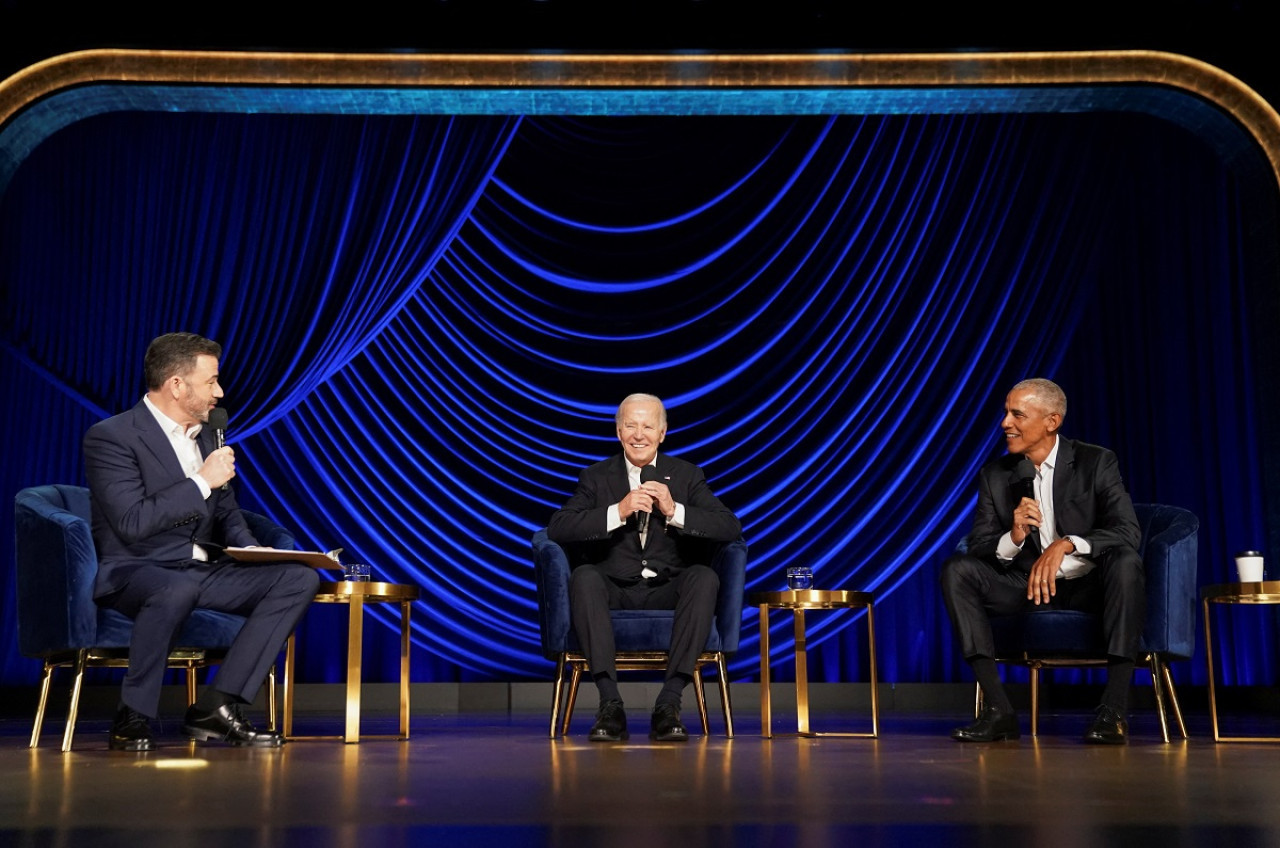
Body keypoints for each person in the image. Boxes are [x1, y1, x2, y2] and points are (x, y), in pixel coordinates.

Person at [83, 332, 320, 751]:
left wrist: (249, 549)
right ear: (177, 384)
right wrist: (200, 482)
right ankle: (132, 712)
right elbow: (131, 521)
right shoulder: (112, 437)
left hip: (199, 569)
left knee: (296, 579)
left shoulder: (210, 435)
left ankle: (217, 706)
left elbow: (228, 515)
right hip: (136, 570)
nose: (220, 392)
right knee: (177, 587)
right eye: (211, 381)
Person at [940, 378, 1144, 745]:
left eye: (1017, 414)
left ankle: (1113, 711)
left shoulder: (1095, 461)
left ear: (1051, 421)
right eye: (1006, 413)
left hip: (1088, 586)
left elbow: (1127, 531)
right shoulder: (996, 475)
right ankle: (999, 710)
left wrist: (1066, 544)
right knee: (957, 570)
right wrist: (1014, 536)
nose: (1005, 423)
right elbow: (980, 546)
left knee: (1126, 561)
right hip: (1028, 587)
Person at [548, 394, 742, 742]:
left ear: (663, 433)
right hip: (614, 592)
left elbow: (729, 527)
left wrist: (674, 510)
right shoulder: (595, 477)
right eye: (631, 426)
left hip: (668, 592)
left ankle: (669, 704)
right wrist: (617, 511)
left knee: (704, 576)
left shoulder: (686, 474)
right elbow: (559, 527)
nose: (639, 434)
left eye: (648, 426)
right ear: (618, 431)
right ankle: (610, 704)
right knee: (584, 577)